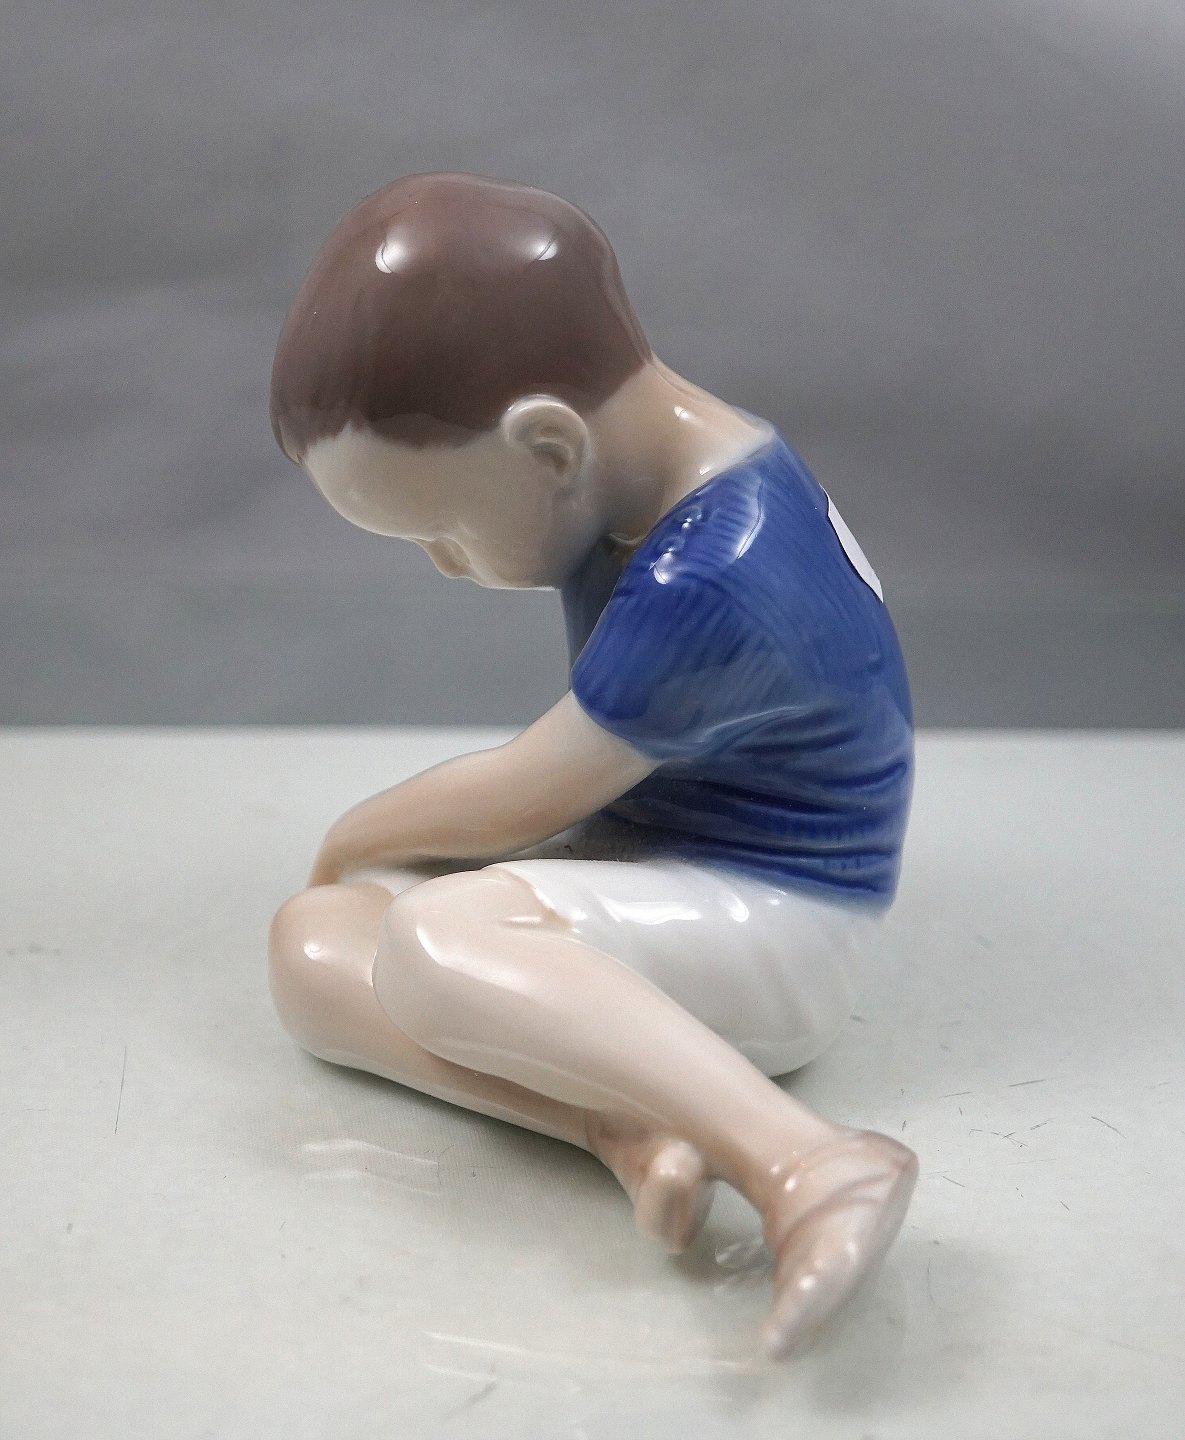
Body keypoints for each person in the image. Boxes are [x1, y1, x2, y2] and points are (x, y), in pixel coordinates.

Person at [267, 172, 917, 1357]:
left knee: (432, 938)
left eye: (440, 528)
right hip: (647, 857)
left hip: (780, 912)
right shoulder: (656, 477)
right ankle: (618, 1128)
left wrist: (361, 830)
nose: (444, 566)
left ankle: (808, 1163)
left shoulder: (715, 572)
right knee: (313, 945)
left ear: (548, 445)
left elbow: (528, 791)